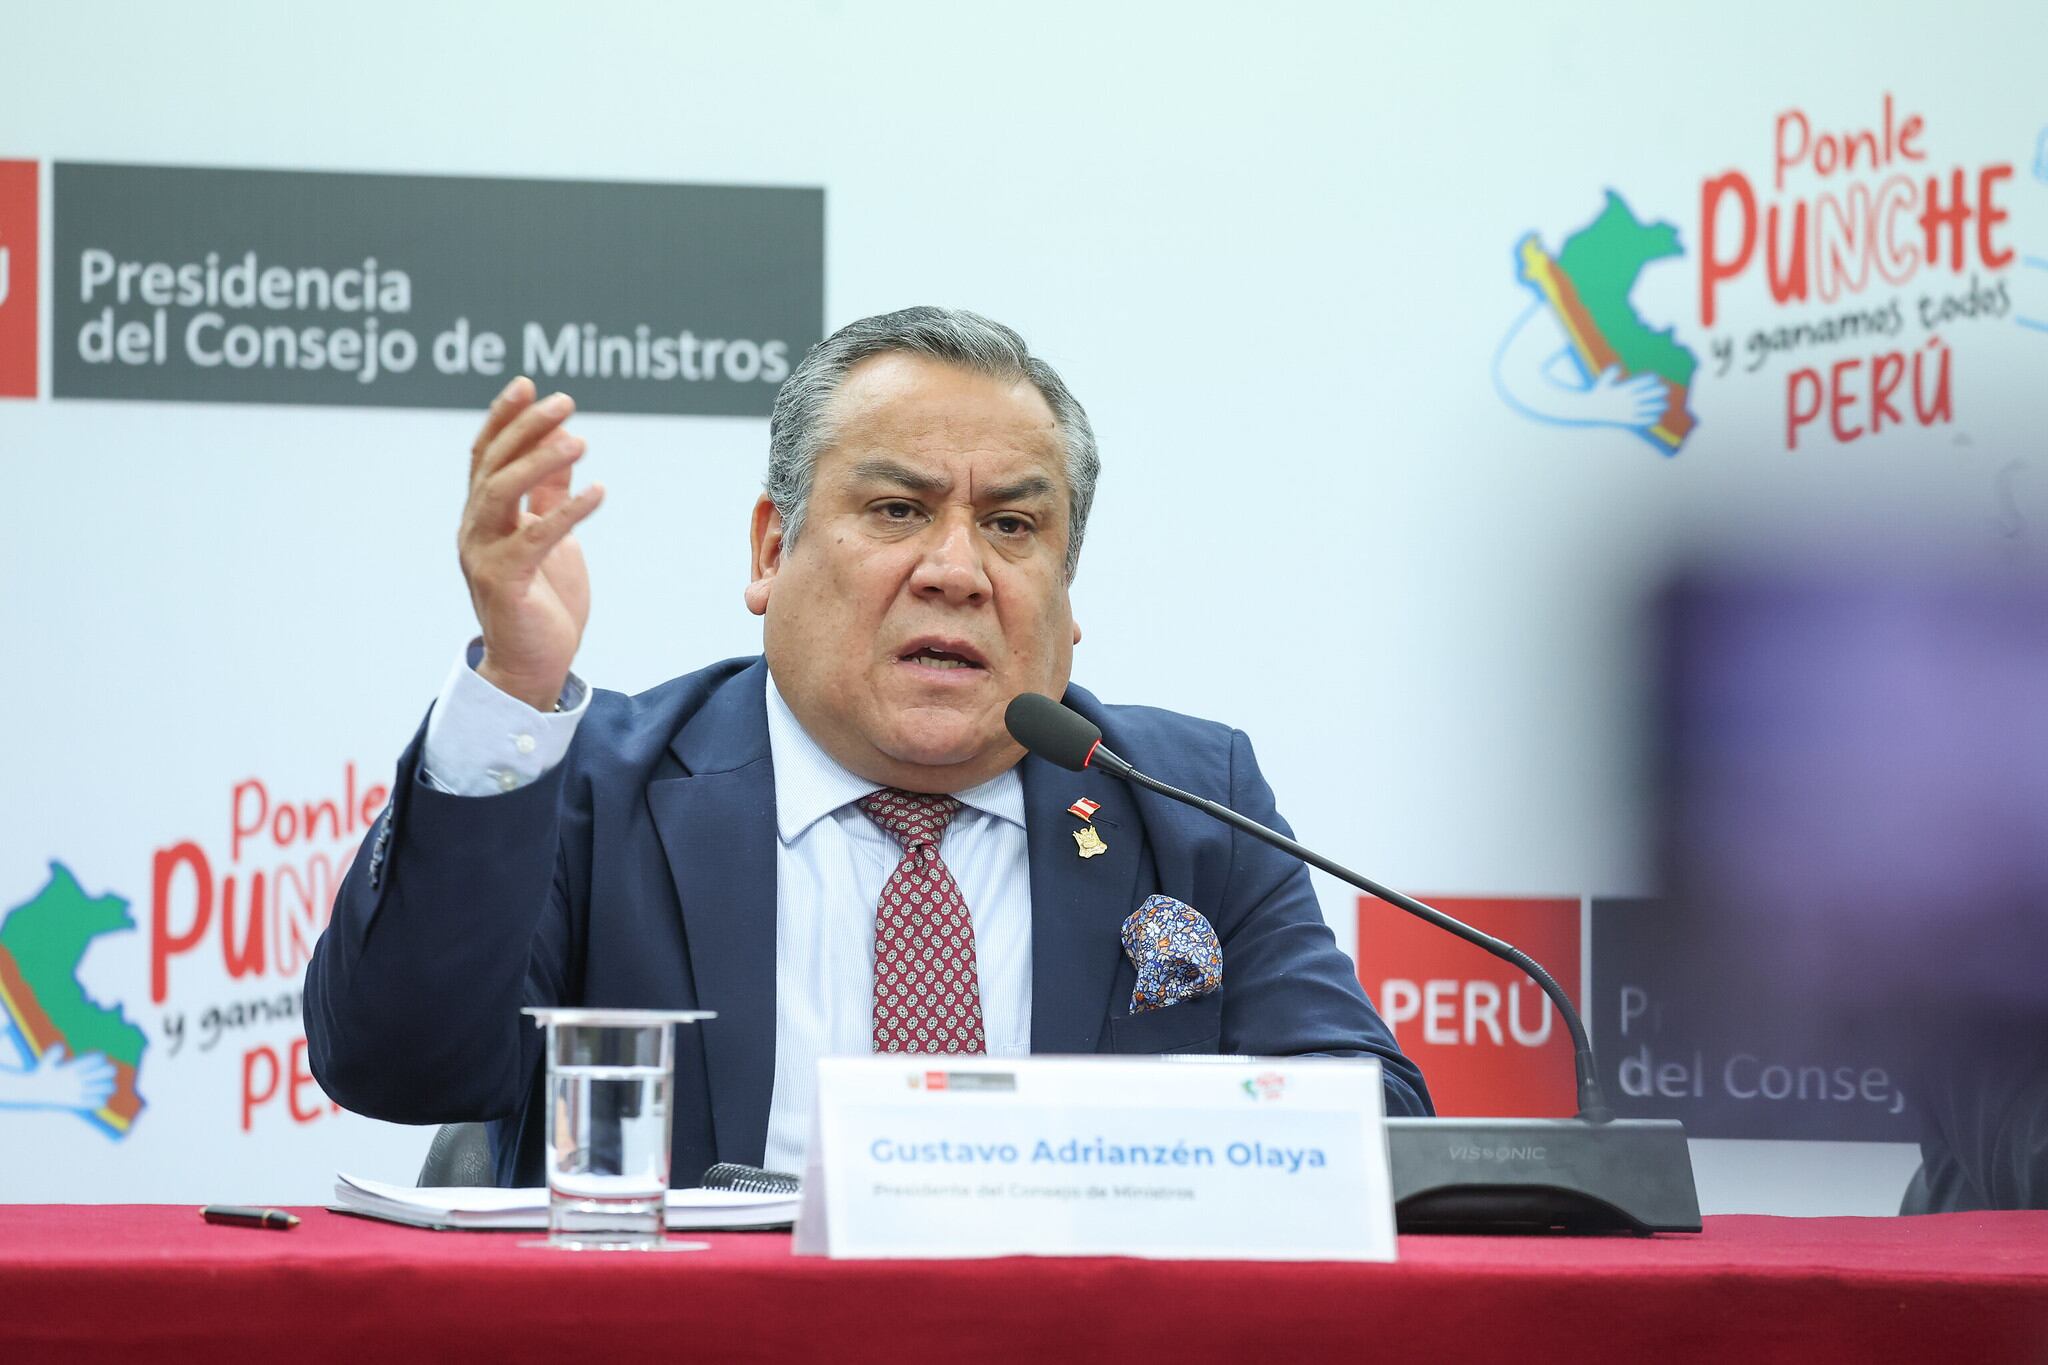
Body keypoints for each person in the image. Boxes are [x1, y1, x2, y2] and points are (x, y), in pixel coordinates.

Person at [307, 307, 1430, 1186]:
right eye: (898, 510)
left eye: (1012, 526)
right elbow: (395, 1060)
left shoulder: (1184, 803)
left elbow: (1372, 1125)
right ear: (771, 550)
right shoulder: (592, 785)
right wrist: (514, 687)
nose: (956, 570)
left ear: (1068, 592)